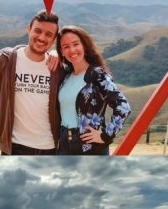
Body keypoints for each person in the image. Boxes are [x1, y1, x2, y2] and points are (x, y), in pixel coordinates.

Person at [0, 10, 62, 155]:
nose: (41, 37)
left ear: (54, 39)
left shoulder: (57, 68)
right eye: (37, 31)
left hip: (50, 148)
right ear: (29, 29)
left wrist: (57, 54)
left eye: (48, 34)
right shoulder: (5, 61)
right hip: (14, 147)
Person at [56, 25, 130, 155]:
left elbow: (123, 107)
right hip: (64, 142)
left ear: (84, 45)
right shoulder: (65, 75)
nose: (72, 50)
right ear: (61, 51)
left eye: (75, 44)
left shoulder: (97, 75)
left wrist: (105, 135)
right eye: (66, 46)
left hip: (89, 145)